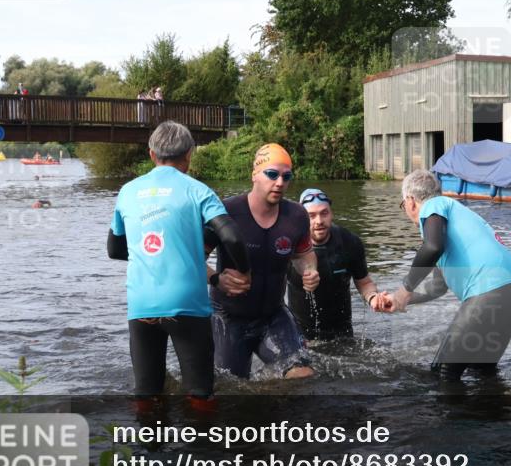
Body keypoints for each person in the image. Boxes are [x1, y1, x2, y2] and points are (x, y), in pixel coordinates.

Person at [108, 121, 250, 406]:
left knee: (146, 393)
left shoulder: (127, 191)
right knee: (200, 392)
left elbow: (114, 250)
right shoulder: (198, 190)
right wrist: (244, 272)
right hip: (187, 304)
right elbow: (232, 237)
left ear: (151, 154)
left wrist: (150, 255)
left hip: (142, 303)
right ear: (189, 154)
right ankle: (200, 446)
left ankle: (148, 446)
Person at [377, 170, 511, 380]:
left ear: (411, 201)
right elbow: (437, 287)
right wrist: (398, 299)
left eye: (403, 205)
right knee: (481, 370)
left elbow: (432, 248)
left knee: (443, 373)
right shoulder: (452, 220)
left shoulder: (434, 205)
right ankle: (494, 412)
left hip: (490, 292)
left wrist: (405, 289)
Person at [207, 143, 319, 380]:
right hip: (229, 316)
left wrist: (310, 270)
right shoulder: (226, 211)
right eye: (272, 174)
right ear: (255, 175)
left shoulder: (297, 215)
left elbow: (304, 254)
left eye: (286, 176)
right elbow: (192, 260)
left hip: (273, 314)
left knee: (303, 375)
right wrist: (216, 279)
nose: (280, 182)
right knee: (231, 387)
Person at [286, 188, 383, 341]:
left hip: (342, 334)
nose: (319, 221)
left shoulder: (349, 242)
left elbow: (364, 282)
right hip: (301, 336)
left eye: (324, 213)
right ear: (301, 219)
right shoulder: (288, 245)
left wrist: (373, 298)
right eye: (311, 216)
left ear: (332, 214)